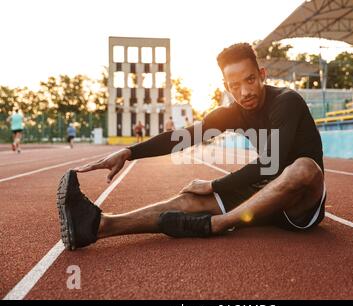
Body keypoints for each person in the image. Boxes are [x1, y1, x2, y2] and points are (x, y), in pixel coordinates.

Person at [57, 43, 326, 250]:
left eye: (250, 80)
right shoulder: (232, 113)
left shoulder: (287, 102)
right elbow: (183, 137)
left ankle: (220, 223)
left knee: (304, 168)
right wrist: (130, 152)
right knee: (189, 201)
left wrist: (216, 185)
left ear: (262, 75)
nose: (244, 92)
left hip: (301, 203)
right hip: (263, 197)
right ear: (226, 86)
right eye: (235, 85)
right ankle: (97, 226)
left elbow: (274, 162)